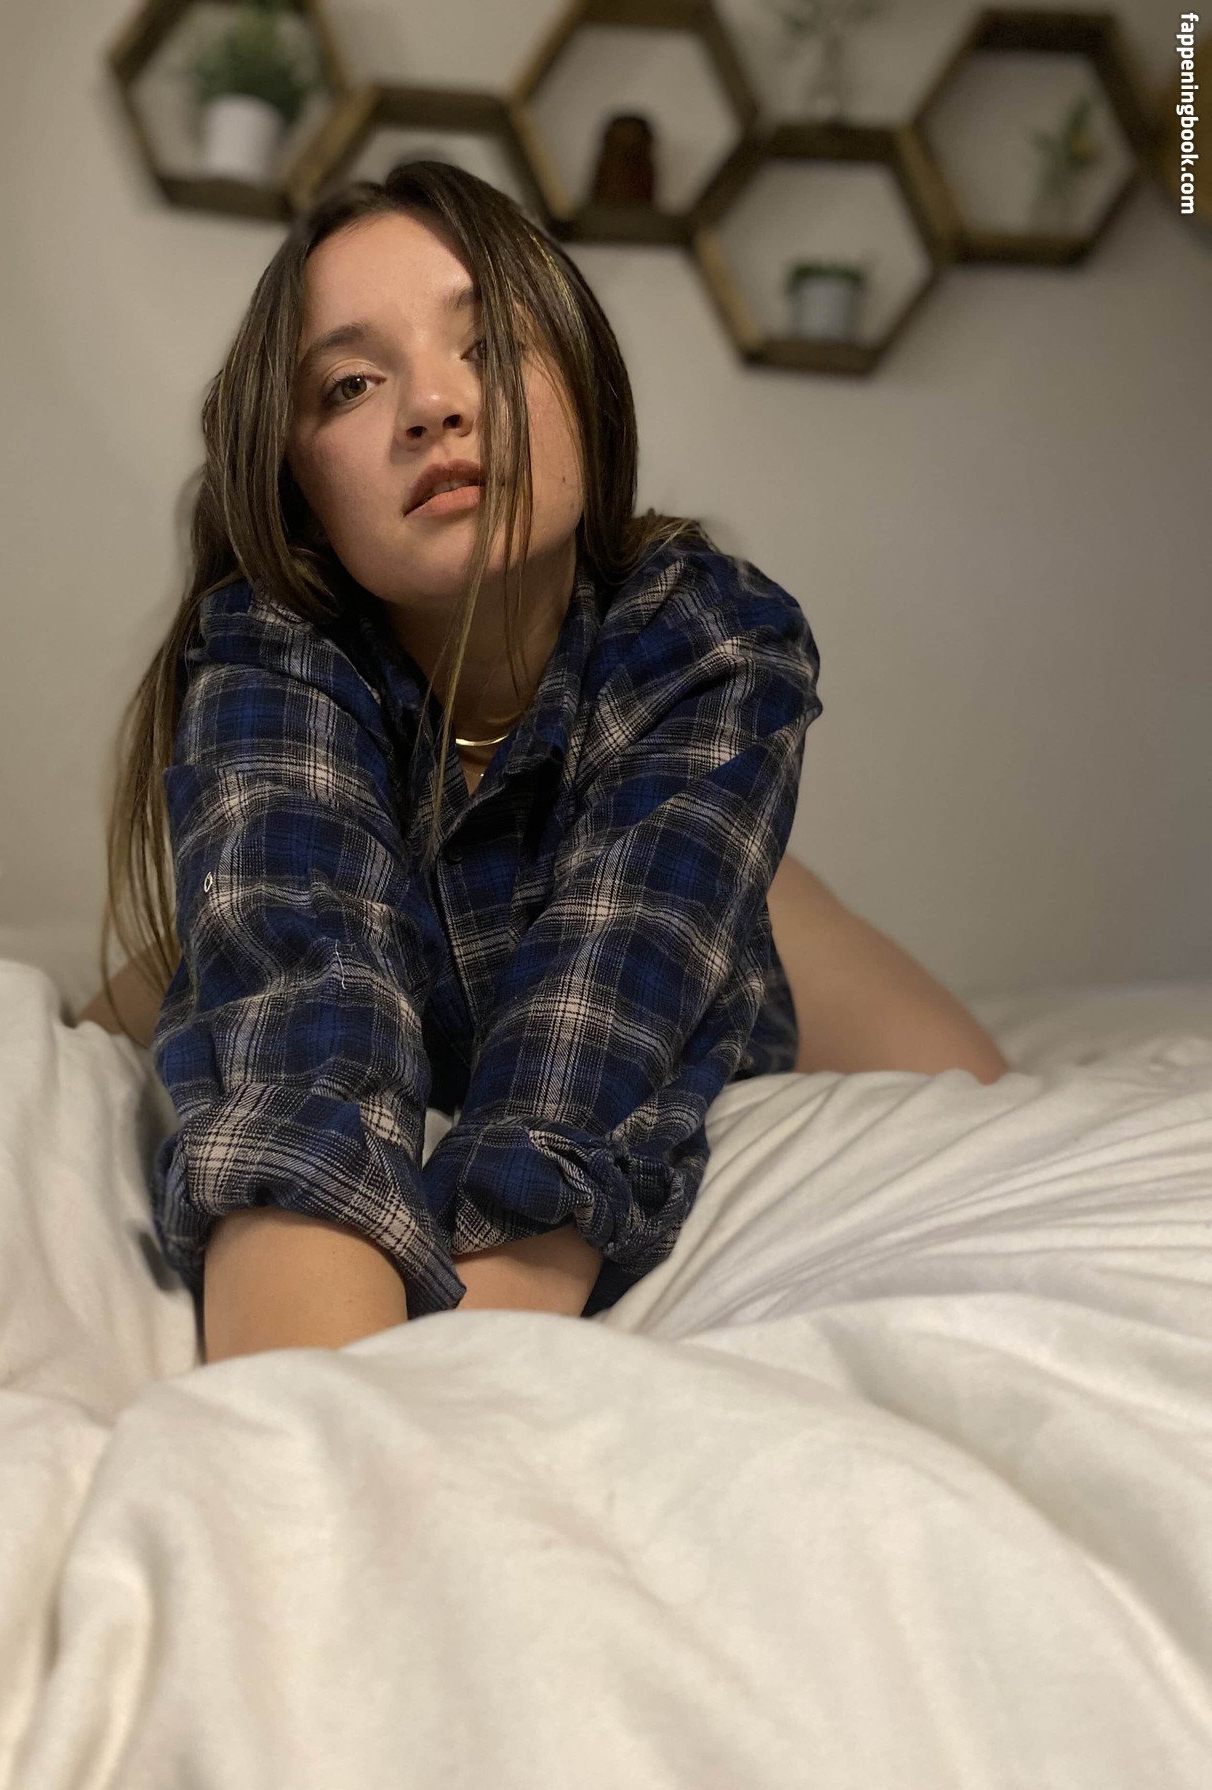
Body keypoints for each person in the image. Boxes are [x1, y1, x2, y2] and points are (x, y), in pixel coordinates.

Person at [78, 160, 1009, 1365]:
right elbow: (298, 1096)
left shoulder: (711, 637)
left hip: (689, 896)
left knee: (973, 1087)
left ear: (586, 382)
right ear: (299, 484)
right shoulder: (273, 656)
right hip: (370, 889)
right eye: (352, 384)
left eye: (490, 346)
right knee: (122, 1018)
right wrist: (309, 1426)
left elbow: (575, 1091)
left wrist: (445, 1386)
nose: (434, 405)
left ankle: (756, 887)